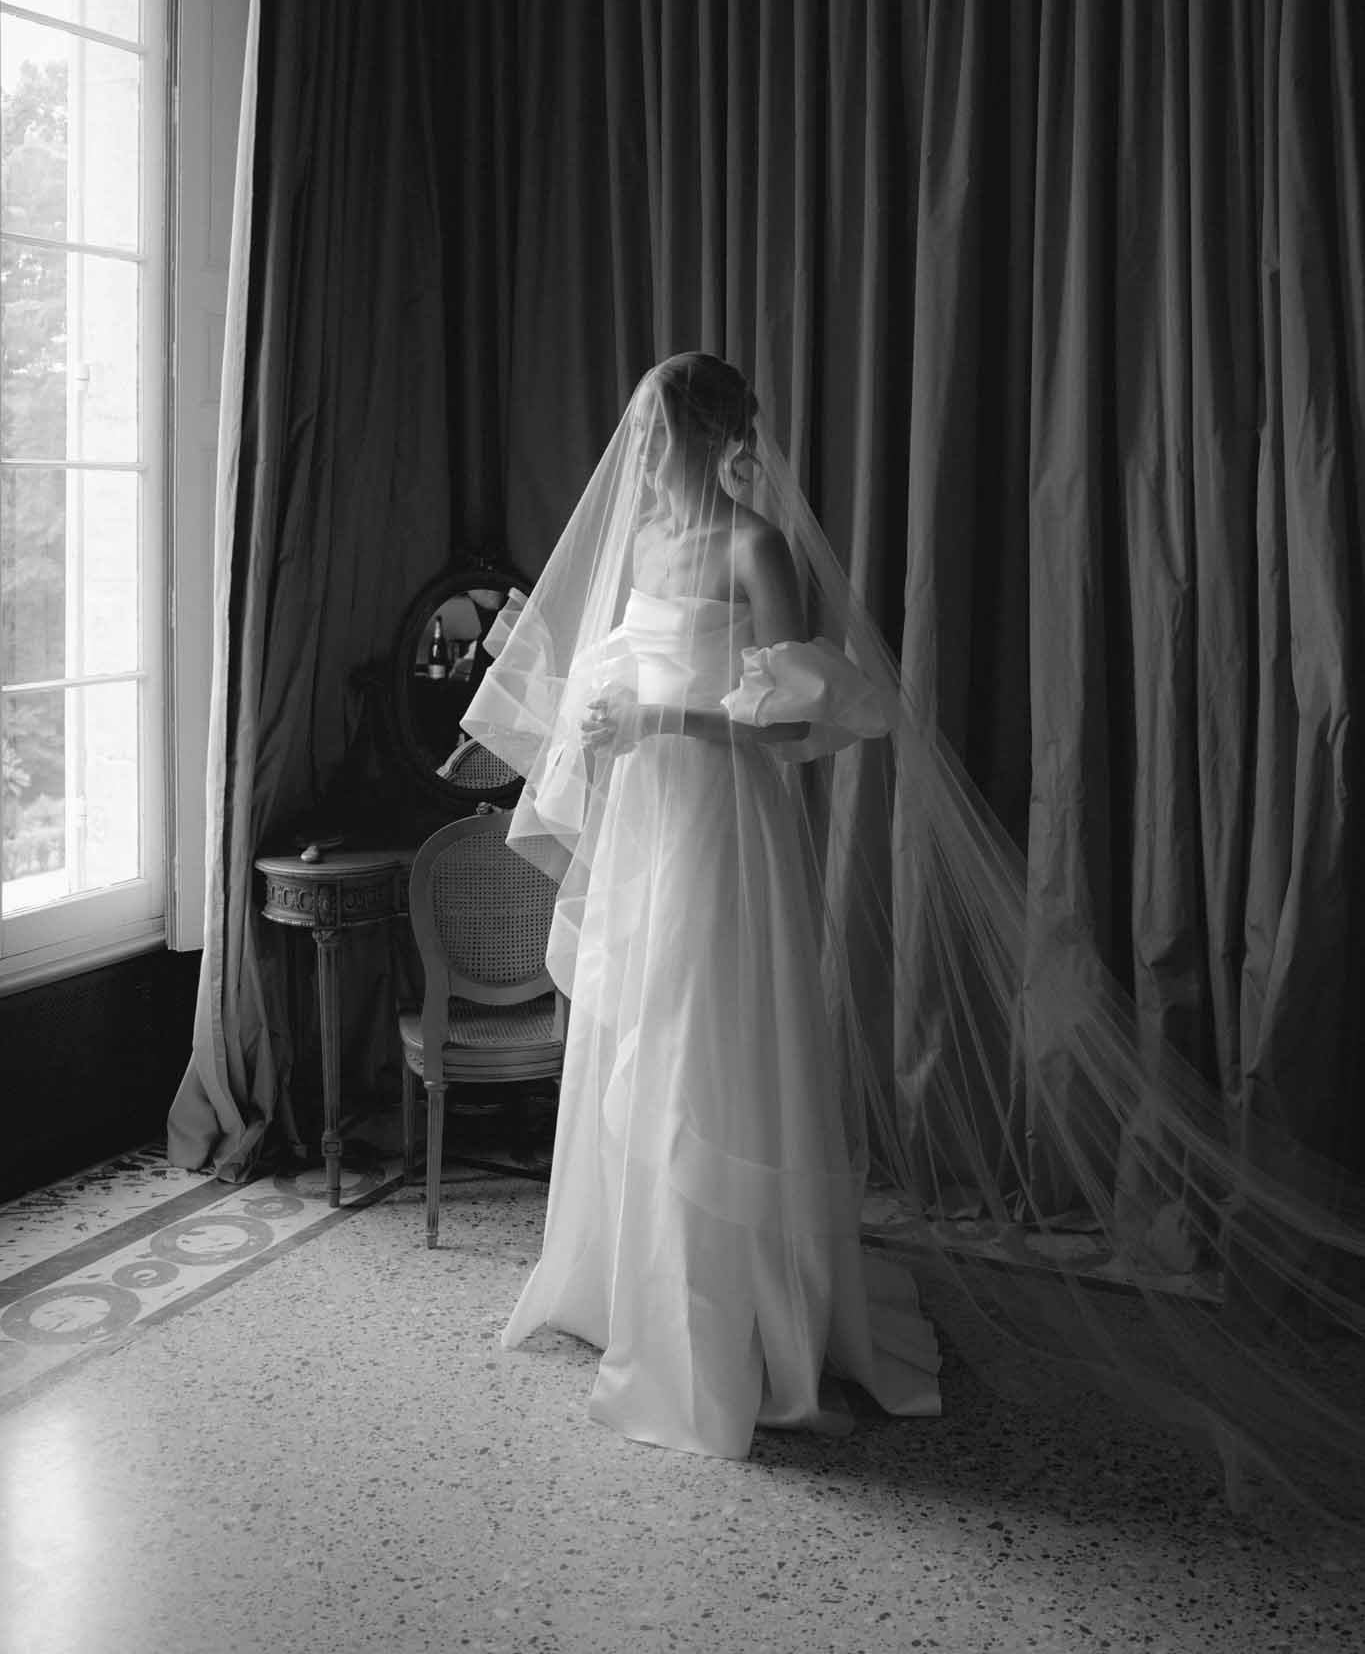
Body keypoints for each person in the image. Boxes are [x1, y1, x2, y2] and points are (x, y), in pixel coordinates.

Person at [464, 354, 1365, 1512]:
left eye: (657, 428)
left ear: (704, 435)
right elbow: (608, 674)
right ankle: (636, 1286)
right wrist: (593, 718)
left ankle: (745, 1325)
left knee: (709, 1048)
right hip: (648, 828)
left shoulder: (758, 550)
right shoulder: (639, 550)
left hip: (726, 836)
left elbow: (792, 725)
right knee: (641, 1040)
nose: (640, 446)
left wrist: (660, 713)